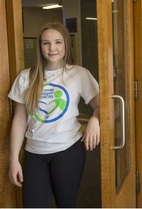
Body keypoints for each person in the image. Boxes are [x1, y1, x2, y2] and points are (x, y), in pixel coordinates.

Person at [8, 22, 100, 207]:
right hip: (34, 154)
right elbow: (19, 119)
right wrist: (13, 159)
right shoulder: (27, 77)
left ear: (66, 44)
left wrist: (95, 119)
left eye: (58, 42)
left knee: (65, 204)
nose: (52, 48)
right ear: (39, 46)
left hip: (68, 152)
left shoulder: (79, 74)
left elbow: (104, 107)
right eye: (46, 43)